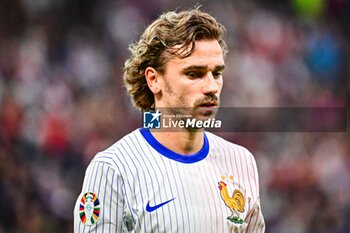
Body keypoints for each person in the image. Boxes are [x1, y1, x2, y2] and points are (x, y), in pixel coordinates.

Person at [73, 8, 265, 232]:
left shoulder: (241, 162)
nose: (212, 86)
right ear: (154, 80)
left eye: (217, 73)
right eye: (194, 74)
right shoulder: (113, 170)